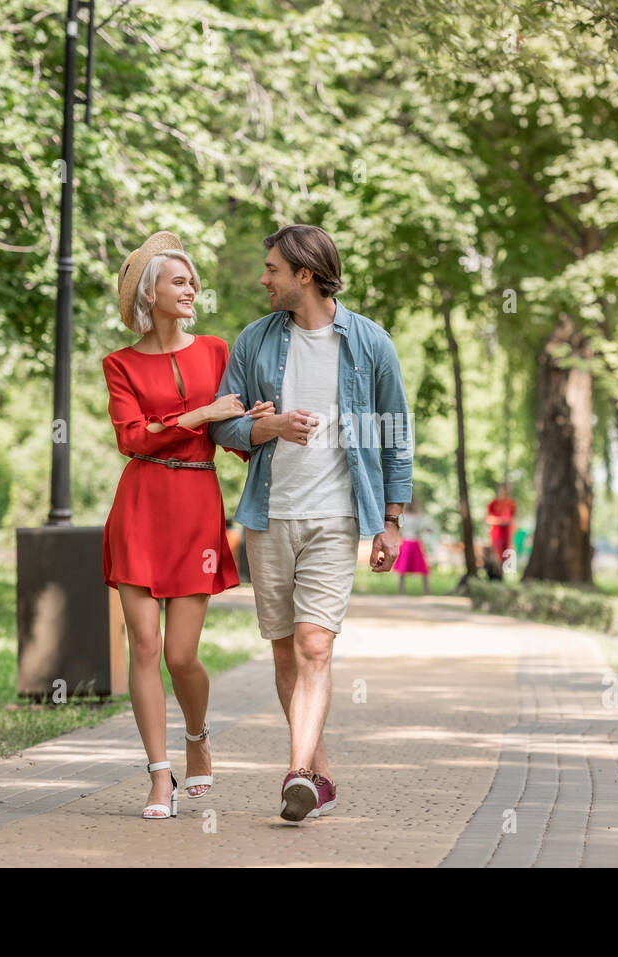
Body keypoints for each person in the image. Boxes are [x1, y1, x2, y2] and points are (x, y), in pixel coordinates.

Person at [209, 224, 413, 823]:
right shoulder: (255, 341)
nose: (263, 278)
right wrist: (263, 428)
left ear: (305, 274)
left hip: (337, 515)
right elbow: (224, 425)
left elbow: (394, 433)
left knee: (315, 645)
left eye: (272, 268)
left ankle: (297, 772)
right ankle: (318, 775)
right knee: (283, 655)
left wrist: (391, 519)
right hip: (268, 516)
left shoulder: (370, 343)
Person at [101, 231, 275, 820]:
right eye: (179, 281)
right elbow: (131, 438)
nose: (192, 288)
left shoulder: (218, 351)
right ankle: (157, 776)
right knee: (143, 647)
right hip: (141, 505)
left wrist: (264, 433)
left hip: (197, 506)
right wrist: (200, 413)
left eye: (192, 280)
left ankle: (197, 739)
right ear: (151, 294)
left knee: (180, 655)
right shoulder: (119, 364)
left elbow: (236, 431)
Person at [393, 493, 434, 595]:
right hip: (410, 542)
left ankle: (425, 590)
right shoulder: (408, 515)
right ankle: (405, 590)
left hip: (412, 542)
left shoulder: (414, 515)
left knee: (420, 567)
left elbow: (422, 527)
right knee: (404, 568)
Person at [485, 482, 517, 565]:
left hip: (507, 534)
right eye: (504, 490)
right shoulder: (493, 504)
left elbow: (513, 518)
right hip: (496, 534)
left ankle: (502, 573)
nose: (506, 492)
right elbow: (488, 519)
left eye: (507, 490)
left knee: (506, 554)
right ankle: (497, 572)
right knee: (496, 554)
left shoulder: (511, 504)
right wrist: (500, 521)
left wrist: (512, 527)